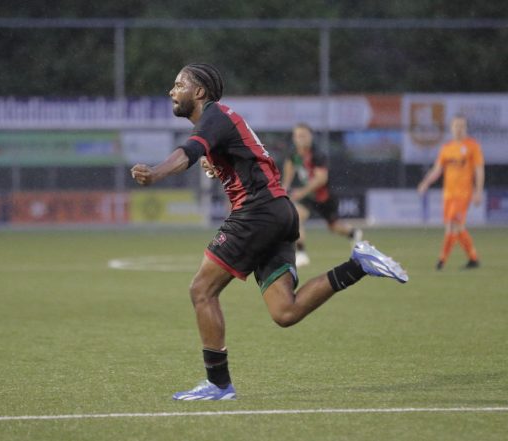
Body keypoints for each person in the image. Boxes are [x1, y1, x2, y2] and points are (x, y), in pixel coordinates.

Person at [131, 63, 408, 401]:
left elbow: (187, 153)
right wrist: (215, 162)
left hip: (257, 211)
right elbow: (237, 156)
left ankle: (218, 384)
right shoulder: (222, 121)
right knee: (285, 312)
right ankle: (358, 264)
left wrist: (155, 173)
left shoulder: (214, 116)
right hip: (279, 211)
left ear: (199, 92)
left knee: (202, 290)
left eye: (179, 85)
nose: (171, 91)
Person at [281, 123, 362, 267]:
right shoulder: (293, 154)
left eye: (303, 135)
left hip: (324, 197)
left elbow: (321, 179)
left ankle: (353, 233)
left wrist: (301, 192)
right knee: (296, 216)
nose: (300, 139)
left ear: (310, 137)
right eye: (297, 136)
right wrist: (284, 188)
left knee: (334, 227)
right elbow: (289, 167)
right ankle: (301, 253)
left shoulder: (317, 155)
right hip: (308, 197)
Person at [417, 115, 484, 270]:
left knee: (453, 225)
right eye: (456, 126)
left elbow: (479, 169)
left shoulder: (473, 146)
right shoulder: (446, 148)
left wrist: (478, 191)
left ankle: (441, 261)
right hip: (448, 195)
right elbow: (437, 169)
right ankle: (473, 259)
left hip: (463, 194)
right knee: (457, 227)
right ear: (451, 128)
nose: (459, 129)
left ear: (466, 128)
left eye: (462, 126)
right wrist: (425, 183)